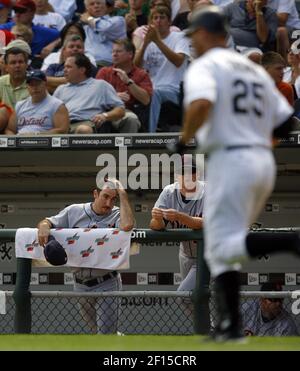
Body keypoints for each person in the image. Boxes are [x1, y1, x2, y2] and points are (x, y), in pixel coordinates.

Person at [175, 5, 300, 341]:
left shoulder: (207, 65)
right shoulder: (253, 70)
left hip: (231, 161)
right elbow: (287, 123)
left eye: (195, 35)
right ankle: (231, 327)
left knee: (221, 243)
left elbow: (200, 106)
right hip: (259, 163)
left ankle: (292, 240)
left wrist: (183, 139)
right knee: (221, 247)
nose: (192, 43)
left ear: (210, 35)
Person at [37, 177, 135, 334]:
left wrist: (123, 194)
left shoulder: (117, 214)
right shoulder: (74, 211)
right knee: (95, 332)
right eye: (105, 196)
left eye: (113, 199)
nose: (109, 203)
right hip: (80, 284)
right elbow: (49, 222)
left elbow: (127, 225)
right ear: (95, 194)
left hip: (107, 281)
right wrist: (43, 225)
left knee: (105, 334)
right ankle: (118, 339)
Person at [149, 155, 205, 315]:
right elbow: (154, 226)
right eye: (183, 173)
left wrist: (180, 216)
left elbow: (205, 223)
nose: (187, 176)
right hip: (186, 254)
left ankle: (209, 329)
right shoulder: (169, 192)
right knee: (194, 297)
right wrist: (157, 219)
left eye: (191, 172)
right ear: (176, 176)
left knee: (183, 295)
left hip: (209, 253)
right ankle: (207, 330)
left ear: (198, 175)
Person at [53, 53, 125, 134]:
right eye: (64, 67)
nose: (64, 70)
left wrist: (105, 116)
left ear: (82, 70)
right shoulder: (60, 89)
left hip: (87, 124)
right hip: (63, 127)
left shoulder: (100, 85)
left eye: (69, 67)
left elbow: (120, 110)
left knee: (83, 129)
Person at [96, 38, 153, 132]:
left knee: (131, 119)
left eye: (118, 51)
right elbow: (94, 95)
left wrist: (129, 82)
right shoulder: (104, 72)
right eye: (113, 51)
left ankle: (126, 147)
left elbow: (146, 100)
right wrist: (114, 96)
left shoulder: (141, 74)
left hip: (125, 112)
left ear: (130, 54)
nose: (114, 54)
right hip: (103, 110)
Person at [4, 69, 69, 135]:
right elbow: (10, 129)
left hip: (44, 143)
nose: (34, 88)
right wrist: (14, 140)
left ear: (45, 84)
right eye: (31, 85)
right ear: (27, 87)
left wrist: (37, 135)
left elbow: (62, 131)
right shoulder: (20, 105)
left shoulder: (57, 105)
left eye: (37, 84)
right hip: (20, 142)